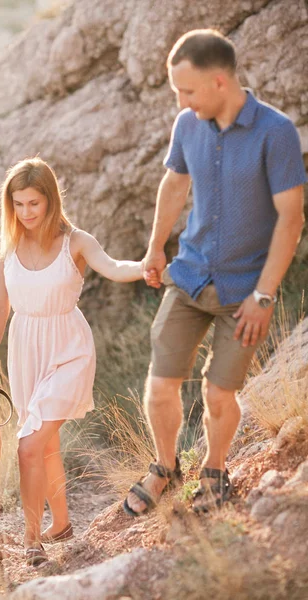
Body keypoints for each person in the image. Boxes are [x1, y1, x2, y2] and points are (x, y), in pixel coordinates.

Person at [124, 29, 306, 517]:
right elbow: (174, 181)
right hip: (189, 275)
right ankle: (166, 467)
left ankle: (215, 471)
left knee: (218, 391)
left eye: (187, 90)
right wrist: (156, 247)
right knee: (160, 383)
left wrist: (264, 295)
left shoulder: (276, 132)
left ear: (219, 81)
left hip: (245, 291)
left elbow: (291, 219)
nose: (180, 101)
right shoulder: (187, 124)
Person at [0, 157, 144, 565]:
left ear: (51, 200)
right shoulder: (6, 245)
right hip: (24, 347)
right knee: (43, 441)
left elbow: (115, 267)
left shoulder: (77, 241)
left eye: (35, 203)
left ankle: (33, 542)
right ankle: (62, 524)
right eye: (19, 204)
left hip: (68, 347)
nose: (27, 213)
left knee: (29, 445)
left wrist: (147, 269)